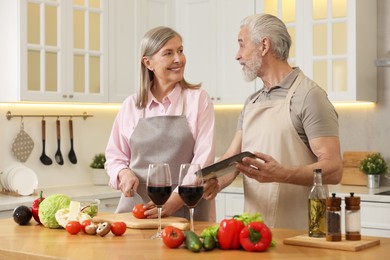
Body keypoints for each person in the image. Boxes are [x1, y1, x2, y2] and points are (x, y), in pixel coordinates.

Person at [203, 14, 343, 229]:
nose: (237, 56)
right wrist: (216, 182)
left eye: (242, 45)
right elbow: (233, 158)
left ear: (264, 45)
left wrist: (282, 174)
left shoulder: (309, 96)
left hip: (302, 229)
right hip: (255, 230)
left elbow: (334, 169)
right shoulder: (252, 102)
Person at [105, 26, 215, 221]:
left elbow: (203, 159)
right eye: (168, 53)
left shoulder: (198, 100)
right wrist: (123, 173)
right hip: (137, 210)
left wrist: (175, 200)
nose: (178, 59)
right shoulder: (131, 105)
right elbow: (114, 157)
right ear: (148, 63)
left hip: (186, 208)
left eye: (180, 51)